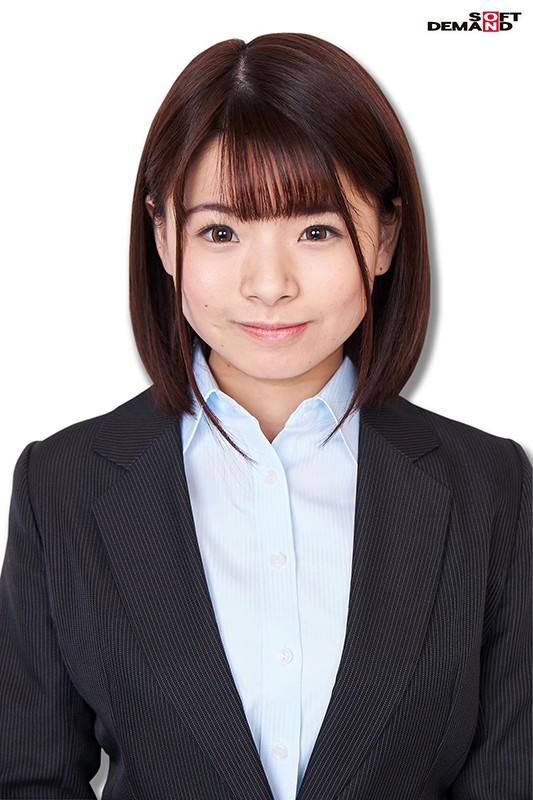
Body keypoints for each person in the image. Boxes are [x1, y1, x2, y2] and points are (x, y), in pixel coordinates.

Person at [0, 32, 530, 800]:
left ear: (384, 235)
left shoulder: (489, 486)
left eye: (316, 231)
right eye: (220, 232)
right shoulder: (63, 484)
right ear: (162, 235)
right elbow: (27, 776)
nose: (269, 284)